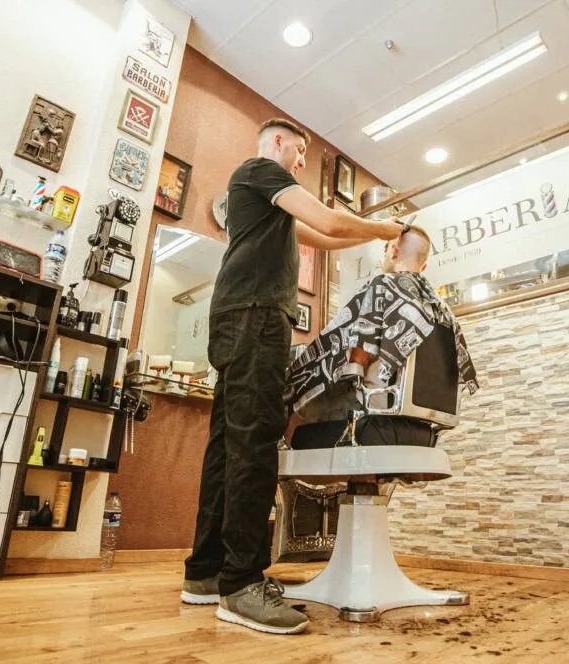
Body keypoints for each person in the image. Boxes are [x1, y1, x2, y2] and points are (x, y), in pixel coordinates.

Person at [181, 118, 403, 635]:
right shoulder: (259, 171)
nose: (303, 161)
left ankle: (207, 573)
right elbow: (328, 216)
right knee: (255, 446)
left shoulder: (267, 208)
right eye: (300, 151)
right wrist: (386, 229)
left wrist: (372, 240)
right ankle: (240, 585)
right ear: (277, 143)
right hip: (255, 317)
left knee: (227, 448)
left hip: (241, 319)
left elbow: (323, 237)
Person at [287, 226, 479, 422]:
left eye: (386, 250)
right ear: (423, 267)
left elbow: (356, 362)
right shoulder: (444, 314)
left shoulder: (382, 286)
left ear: (394, 252)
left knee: (291, 408)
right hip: (422, 424)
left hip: (373, 411)